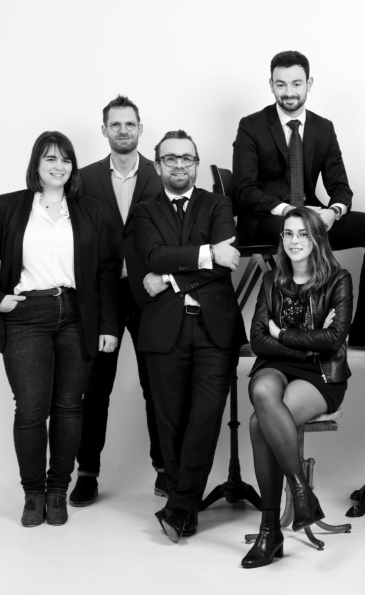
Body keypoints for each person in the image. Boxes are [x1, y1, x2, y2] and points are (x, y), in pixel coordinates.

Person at [0, 131, 119, 527]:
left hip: (76, 315)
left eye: (66, 160)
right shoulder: (8, 206)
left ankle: (57, 492)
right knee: (31, 408)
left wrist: (108, 325)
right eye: (50, 158)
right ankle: (33, 494)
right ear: (36, 164)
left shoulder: (89, 210)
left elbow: (105, 271)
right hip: (25, 315)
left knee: (69, 407)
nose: (59, 166)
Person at [125, 130, 247, 542]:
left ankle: (179, 506)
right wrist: (208, 252)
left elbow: (226, 264)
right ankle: (185, 509)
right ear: (158, 164)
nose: (179, 165)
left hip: (214, 330)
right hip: (163, 330)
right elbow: (153, 255)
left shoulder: (219, 204)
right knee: (170, 422)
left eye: (186, 158)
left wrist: (169, 279)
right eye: (170, 158)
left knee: (204, 418)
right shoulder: (143, 212)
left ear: (196, 163)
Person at [233, 50, 365, 346]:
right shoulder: (251, 125)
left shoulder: (323, 128)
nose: (289, 92)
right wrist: (289, 211)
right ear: (271, 85)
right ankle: (306, 331)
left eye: (296, 83)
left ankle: (363, 324)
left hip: (313, 218)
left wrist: (333, 212)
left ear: (309, 84)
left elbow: (341, 188)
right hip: (265, 220)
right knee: (299, 228)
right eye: (281, 84)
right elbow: (245, 190)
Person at [241, 207, 353, 569]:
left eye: (303, 233)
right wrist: (308, 342)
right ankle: (302, 490)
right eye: (288, 233)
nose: (294, 241)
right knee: (262, 391)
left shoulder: (339, 279)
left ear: (317, 238)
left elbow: (334, 339)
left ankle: (269, 531)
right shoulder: (271, 279)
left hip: (320, 373)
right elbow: (258, 340)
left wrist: (283, 334)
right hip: (277, 366)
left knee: (259, 423)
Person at [70, 95, 167, 507]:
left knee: (156, 387)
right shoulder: (84, 178)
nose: (123, 131)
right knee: (95, 391)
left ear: (140, 129)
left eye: (130, 124)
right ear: (104, 129)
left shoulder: (160, 173)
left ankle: (165, 470)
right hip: (102, 296)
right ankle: (87, 473)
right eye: (116, 124)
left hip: (150, 293)